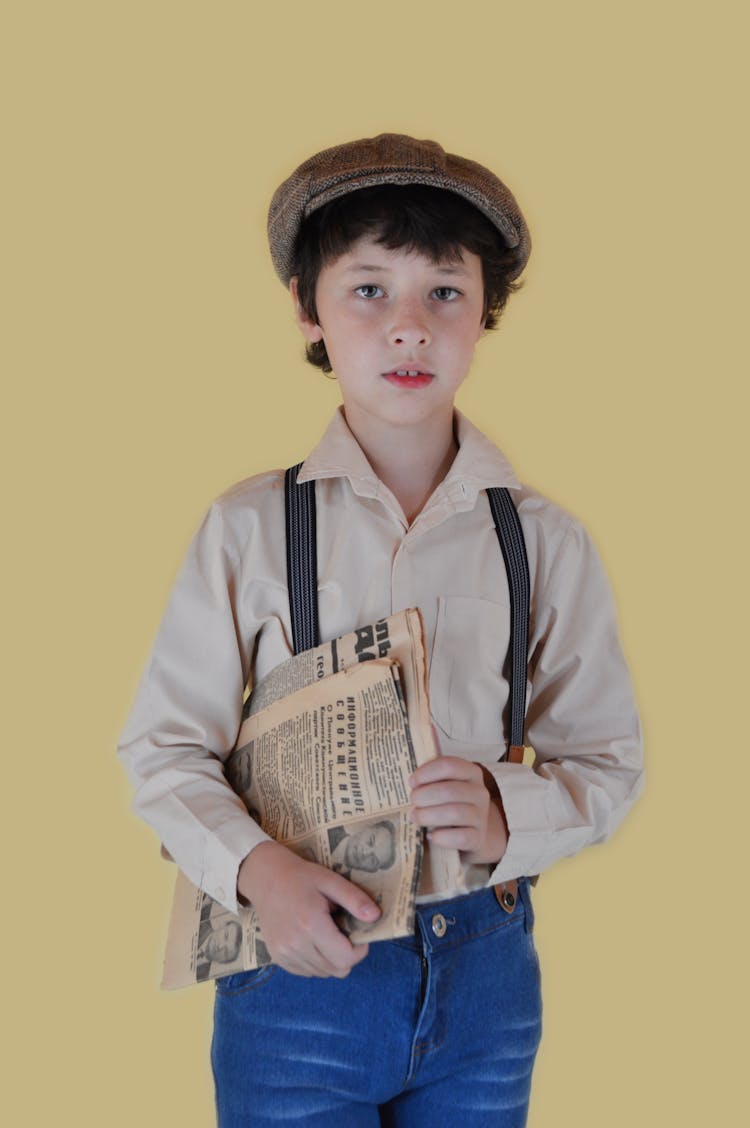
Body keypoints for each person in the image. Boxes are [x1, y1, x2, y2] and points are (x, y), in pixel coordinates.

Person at [118, 133, 643, 1126]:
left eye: (444, 292)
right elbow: (162, 748)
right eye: (368, 290)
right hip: (299, 978)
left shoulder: (544, 541)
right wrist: (258, 873)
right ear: (305, 305)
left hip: (488, 976)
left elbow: (610, 759)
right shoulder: (250, 526)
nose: (408, 327)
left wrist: (506, 812)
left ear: (483, 311)